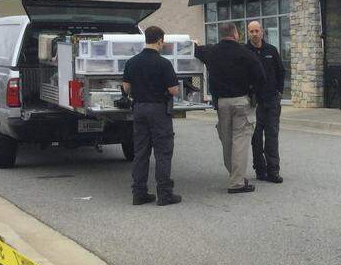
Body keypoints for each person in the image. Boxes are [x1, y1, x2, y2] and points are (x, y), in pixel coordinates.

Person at [194, 23, 266, 194]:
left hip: (221, 103)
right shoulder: (245, 53)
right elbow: (261, 78)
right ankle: (237, 182)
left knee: (227, 142)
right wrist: (255, 94)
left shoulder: (211, 52)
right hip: (242, 101)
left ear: (221, 35)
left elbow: (195, 50)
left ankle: (235, 175)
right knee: (240, 142)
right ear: (236, 34)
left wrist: (194, 43)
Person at [122, 26, 181, 206]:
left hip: (139, 108)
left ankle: (139, 193)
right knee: (163, 152)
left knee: (141, 152)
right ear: (160, 41)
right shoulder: (164, 63)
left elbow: (126, 88)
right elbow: (173, 90)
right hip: (158, 110)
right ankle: (164, 194)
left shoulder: (132, 62)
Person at [245, 20, 285, 183]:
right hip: (253, 102)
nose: (254, 34)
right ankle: (260, 169)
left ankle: (273, 170)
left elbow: (281, 72)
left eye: (257, 31)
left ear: (262, 32)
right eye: (251, 31)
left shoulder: (271, 50)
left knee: (272, 135)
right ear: (248, 33)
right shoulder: (245, 51)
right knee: (255, 137)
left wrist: (279, 91)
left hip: (271, 100)